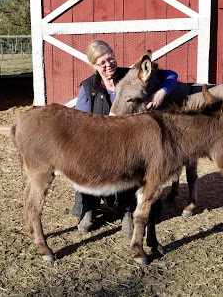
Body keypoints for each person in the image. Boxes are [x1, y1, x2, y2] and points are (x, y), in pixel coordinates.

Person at [72, 40, 178, 234]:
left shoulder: (130, 76)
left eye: (110, 58)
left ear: (114, 54)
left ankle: (127, 211)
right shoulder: (88, 87)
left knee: (132, 167)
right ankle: (88, 207)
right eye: (101, 62)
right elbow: (81, 122)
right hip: (100, 141)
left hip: (130, 141)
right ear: (93, 65)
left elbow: (170, 75)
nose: (107, 64)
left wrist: (161, 93)